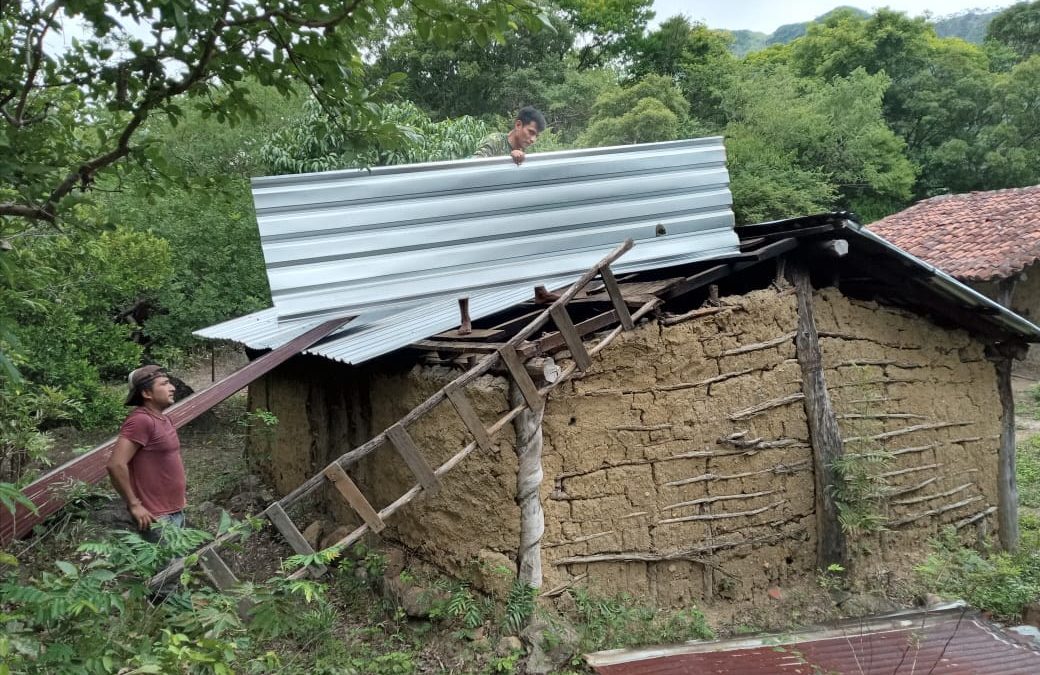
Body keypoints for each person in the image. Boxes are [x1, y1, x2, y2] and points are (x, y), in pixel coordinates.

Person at [460, 106, 557, 334]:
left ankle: (540, 291)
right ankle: (465, 318)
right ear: (518, 125)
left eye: (536, 136)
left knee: (529, 239)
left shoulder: (525, 154)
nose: (532, 139)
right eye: (531, 132)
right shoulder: (495, 141)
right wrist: (507, 159)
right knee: (467, 260)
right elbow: (474, 164)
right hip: (478, 209)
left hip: (503, 210)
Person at [107, 364, 185, 542]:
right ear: (147, 394)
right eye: (164, 384)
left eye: (170, 383)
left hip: (174, 510)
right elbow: (115, 465)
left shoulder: (164, 418)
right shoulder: (141, 421)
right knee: (169, 568)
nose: (172, 388)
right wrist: (134, 505)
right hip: (157, 516)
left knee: (179, 566)